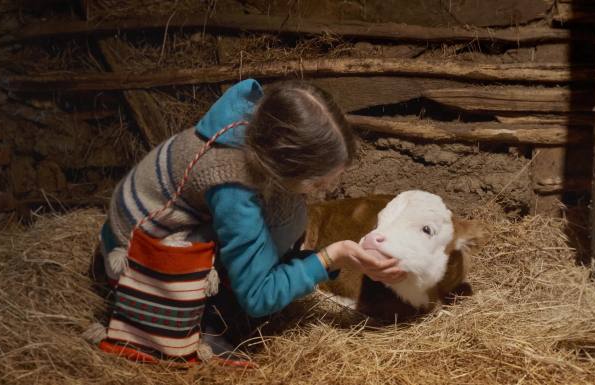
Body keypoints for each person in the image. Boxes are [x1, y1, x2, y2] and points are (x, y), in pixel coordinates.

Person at [93, 78, 405, 363]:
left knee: (290, 215)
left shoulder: (260, 124)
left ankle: (228, 289)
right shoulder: (232, 186)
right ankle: (204, 321)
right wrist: (329, 257)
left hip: (178, 217)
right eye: (317, 183)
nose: (322, 192)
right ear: (286, 162)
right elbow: (258, 298)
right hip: (140, 245)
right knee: (282, 225)